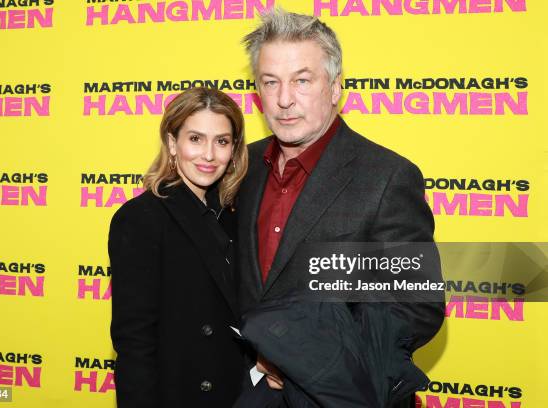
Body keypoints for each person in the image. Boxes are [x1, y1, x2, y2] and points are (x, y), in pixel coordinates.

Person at [235, 9, 445, 407]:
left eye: (302, 80)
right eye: (270, 82)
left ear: (335, 88)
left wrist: (299, 352)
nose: (283, 99)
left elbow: (416, 307)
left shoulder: (387, 177)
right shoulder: (240, 168)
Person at [108, 87, 249, 408]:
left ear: (234, 149)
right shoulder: (140, 219)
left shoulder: (233, 215)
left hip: (237, 394)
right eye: (195, 139)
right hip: (179, 393)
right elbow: (134, 342)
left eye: (222, 141)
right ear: (173, 143)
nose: (209, 155)